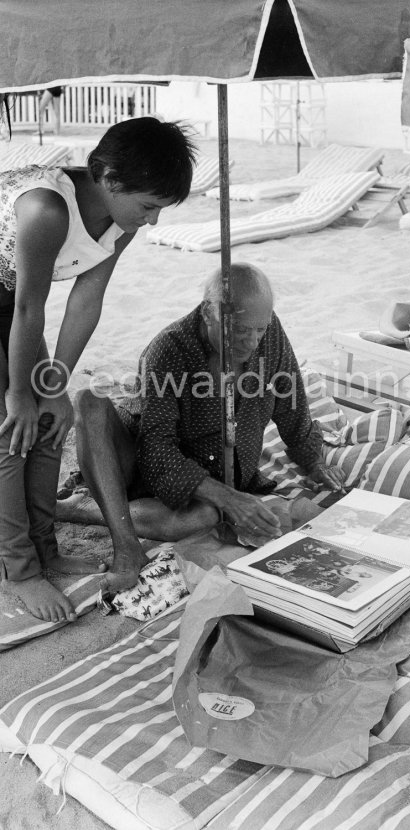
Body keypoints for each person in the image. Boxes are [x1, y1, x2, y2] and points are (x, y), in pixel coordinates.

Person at [0, 116, 196, 624]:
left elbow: (87, 300)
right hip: (16, 305)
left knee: (50, 422)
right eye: (148, 205)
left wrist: (52, 386)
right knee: (9, 433)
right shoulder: (45, 210)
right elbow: (30, 309)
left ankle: (44, 548)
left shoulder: (120, 221)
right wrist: (20, 393)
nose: (151, 221)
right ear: (109, 179)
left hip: (12, 306)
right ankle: (19, 571)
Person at [56, 263, 346, 596]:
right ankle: (124, 543)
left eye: (260, 330)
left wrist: (313, 460)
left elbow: (291, 398)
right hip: (136, 466)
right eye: (240, 330)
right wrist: (229, 498)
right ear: (210, 313)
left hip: (201, 488)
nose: (252, 342)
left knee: (204, 518)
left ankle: (84, 508)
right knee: (89, 401)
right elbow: (155, 452)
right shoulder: (168, 349)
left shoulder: (267, 330)